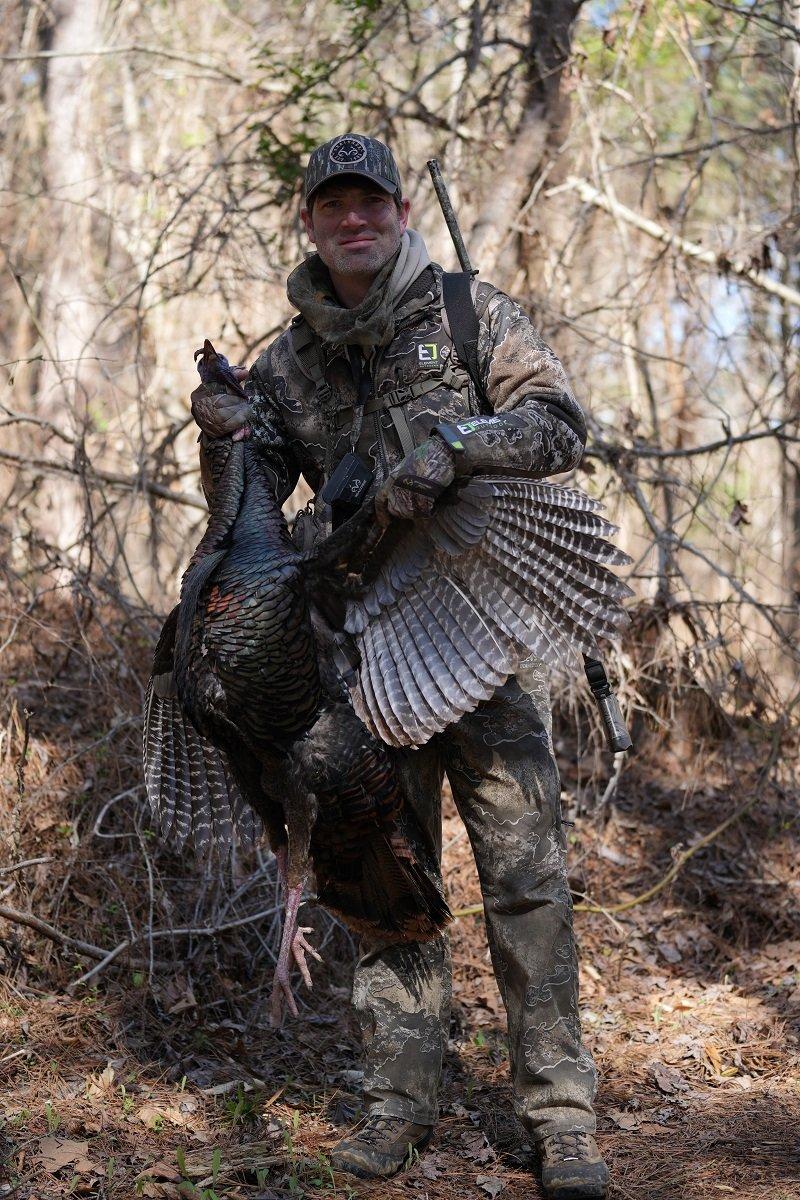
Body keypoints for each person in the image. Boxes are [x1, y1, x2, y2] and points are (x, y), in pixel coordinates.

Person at [190, 133, 610, 1200]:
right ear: (309, 223)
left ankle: (558, 1118)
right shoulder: (284, 362)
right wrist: (224, 437)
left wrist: (457, 444)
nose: (353, 221)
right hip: (363, 655)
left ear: (398, 206)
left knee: (525, 881)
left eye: (368, 202)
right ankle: (397, 1105)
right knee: (386, 884)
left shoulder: (469, 315)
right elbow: (246, 517)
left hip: (481, 638)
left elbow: (560, 427)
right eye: (332, 207)